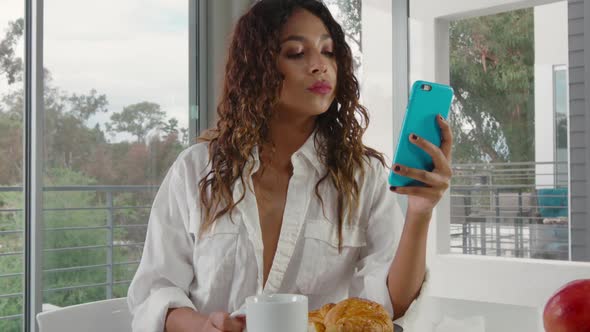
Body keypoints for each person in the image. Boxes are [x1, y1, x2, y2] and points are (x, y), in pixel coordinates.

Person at [127, 0, 453, 331]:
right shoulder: (195, 170)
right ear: (257, 68)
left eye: (328, 52)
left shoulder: (361, 176)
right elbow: (156, 290)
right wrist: (204, 326)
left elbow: (391, 305)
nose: (319, 66)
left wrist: (420, 212)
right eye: (296, 53)